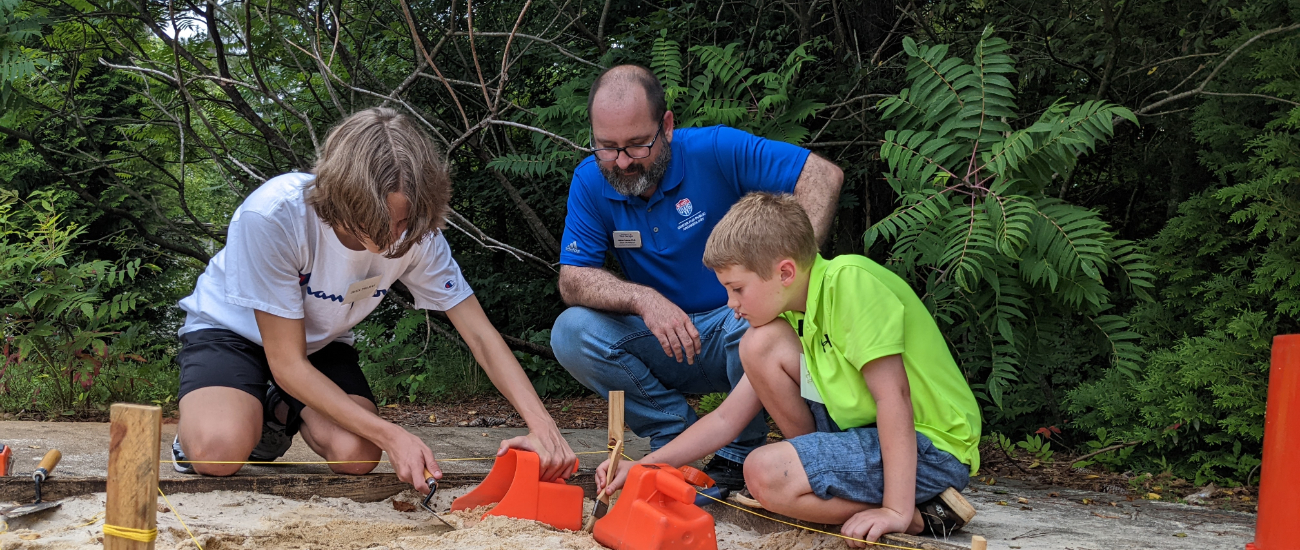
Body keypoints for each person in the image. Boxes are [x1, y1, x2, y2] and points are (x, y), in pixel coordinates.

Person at [172, 107, 577, 493]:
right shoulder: (274, 215)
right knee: (217, 452)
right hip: (231, 332)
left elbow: (481, 334)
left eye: (404, 221)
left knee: (357, 455)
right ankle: (225, 416)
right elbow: (286, 363)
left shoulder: (418, 234)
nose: (393, 237)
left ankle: (279, 410)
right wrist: (394, 435)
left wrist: (543, 425)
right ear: (342, 197)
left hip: (319, 344)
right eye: (379, 220)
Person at [595, 193, 981, 545]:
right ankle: (812, 479)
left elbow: (893, 397)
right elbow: (728, 419)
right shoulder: (793, 313)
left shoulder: (850, 282)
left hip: (932, 446)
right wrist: (644, 466)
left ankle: (917, 515)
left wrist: (896, 511)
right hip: (865, 438)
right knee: (758, 344)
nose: (730, 303)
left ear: (784, 273)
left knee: (762, 471)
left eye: (738, 288)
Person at [551, 65, 844, 491]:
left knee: (754, 323)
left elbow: (822, 175)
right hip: (663, 337)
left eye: (637, 145)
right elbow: (573, 280)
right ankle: (672, 434)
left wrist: (789, 282)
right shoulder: (590, 180)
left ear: (666, 126)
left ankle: (741, 448)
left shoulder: (716, 148)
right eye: (606, 147)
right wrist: (645, 301)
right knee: (570, 331)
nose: (622, 162)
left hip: (738, 324)